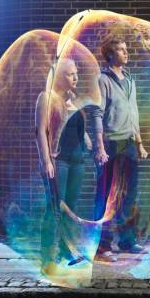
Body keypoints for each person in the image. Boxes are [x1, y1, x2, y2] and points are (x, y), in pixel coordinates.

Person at [90, 38, 148, 260]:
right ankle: (102, 245)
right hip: (111, 143)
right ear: (110, 55)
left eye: (126, 49)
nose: (126, 53)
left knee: (129, 195)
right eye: (121, 50)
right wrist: (100, 147)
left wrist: (139, 143)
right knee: (105, 196)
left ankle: (127, 241)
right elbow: (96, 113)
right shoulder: (103, 80)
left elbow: (134, 113)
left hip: (130, 143)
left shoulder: (130, 80)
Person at [35, 58, 91, 275]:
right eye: (70, 74)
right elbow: (41, 131)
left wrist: (86, 138)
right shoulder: (46, 98)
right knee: (54, 209)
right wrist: (46, 160)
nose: (76, 77)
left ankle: (67, 253)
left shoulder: (72, 100)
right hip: (59, 162)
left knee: (71, 209)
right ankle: (47, 259)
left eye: (76, 73)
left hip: (77, 161)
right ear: (59, 76)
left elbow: (72, 128)